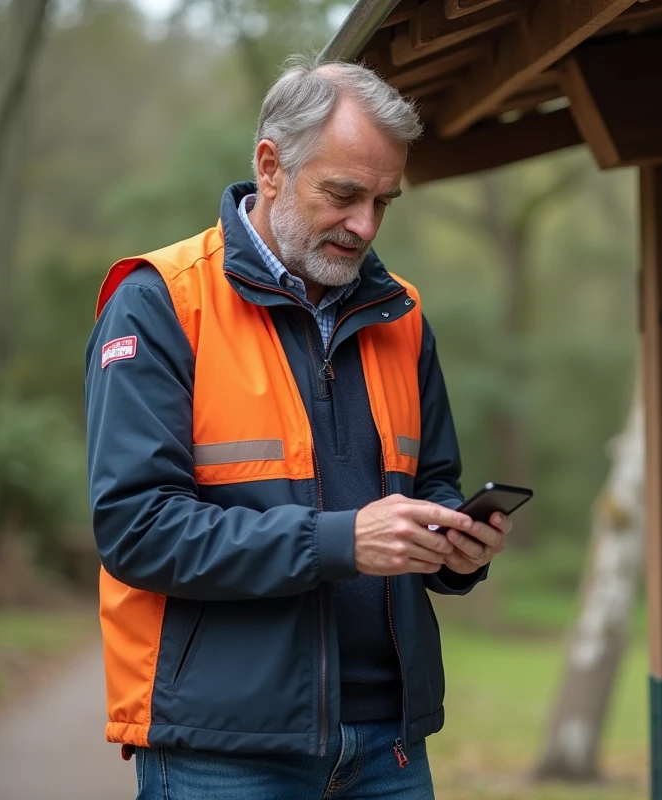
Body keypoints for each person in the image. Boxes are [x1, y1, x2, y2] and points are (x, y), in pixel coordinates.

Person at [83, 55, 510, 799]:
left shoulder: (403, 313)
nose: (365, 224)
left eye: (385, 201)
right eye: (344, 194)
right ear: (271, 166)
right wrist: (342, 541)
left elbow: (430, 483)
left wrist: (455, 550)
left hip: (391, 745)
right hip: (223, 751)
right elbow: (137, 530)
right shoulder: (160, 304)